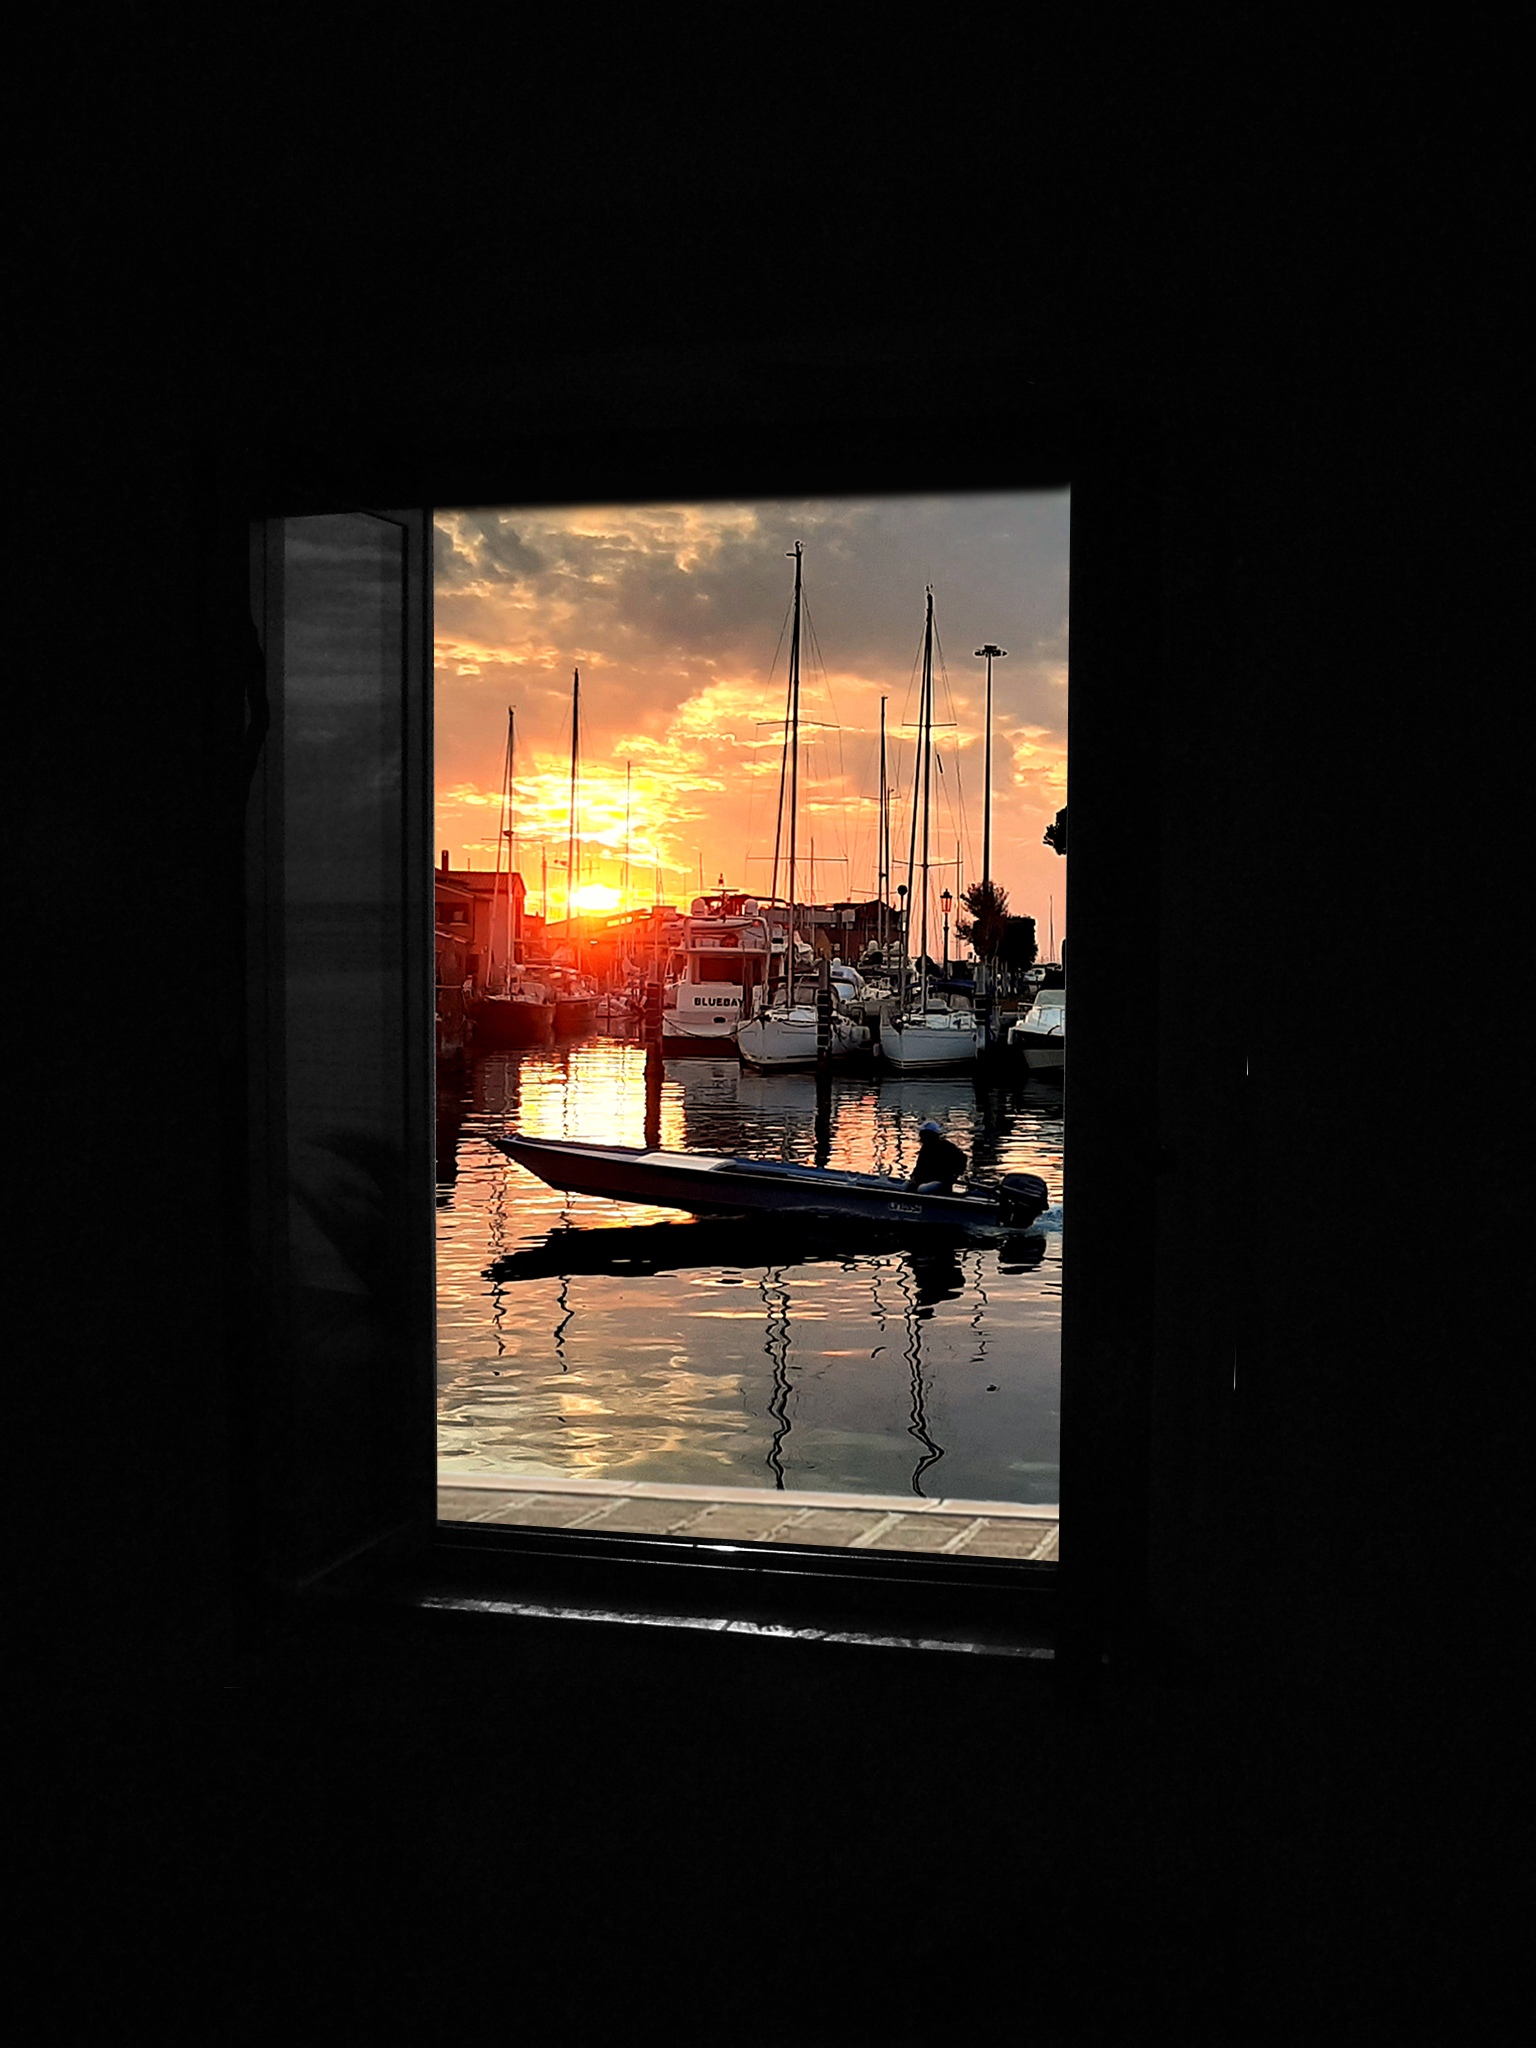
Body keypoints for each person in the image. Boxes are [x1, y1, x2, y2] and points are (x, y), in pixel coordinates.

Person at [907, 1118, 968, 1195]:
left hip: (941, 1182)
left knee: (921, 1190)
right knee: (908, 1186)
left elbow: (962, 1158)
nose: (920, 1136)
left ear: (928, 1134)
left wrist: (953, 1175)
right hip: (927, 1180)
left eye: (922, 1134)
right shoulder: (926, 1148)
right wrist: (913, 1177)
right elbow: (920, 1167)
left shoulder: (946, 1147)